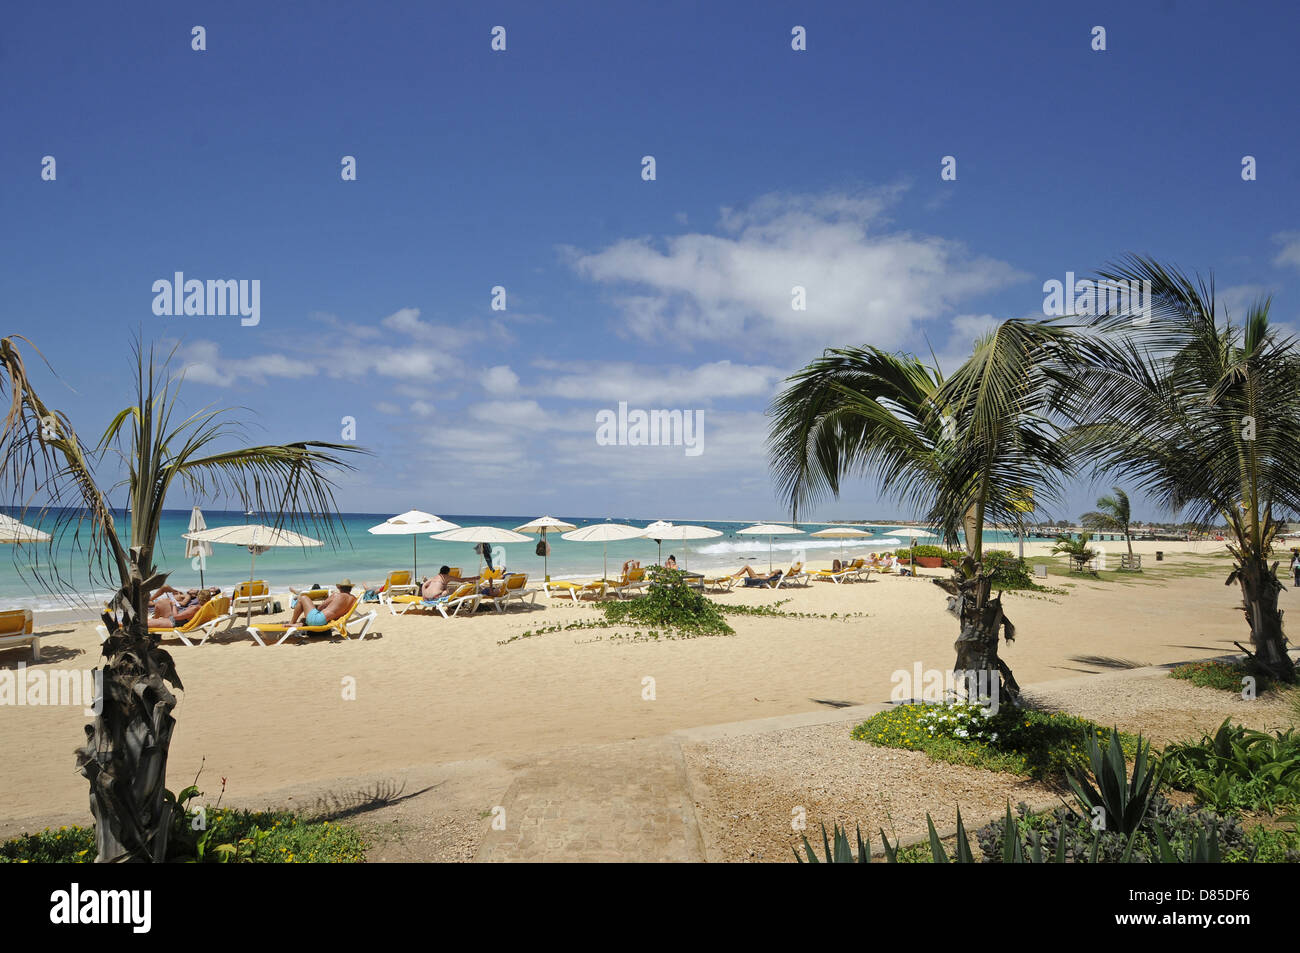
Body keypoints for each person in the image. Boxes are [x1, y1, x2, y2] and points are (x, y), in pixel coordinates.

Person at [288, 579, 356, 627]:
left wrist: (313, 609)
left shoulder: (336, 595)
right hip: (327, 621)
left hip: (317, 620)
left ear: (340, 588)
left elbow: (321, 607)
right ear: (350, 589)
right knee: (309, 609)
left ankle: (292, 622)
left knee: (303, 598)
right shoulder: (354, 599)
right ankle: (302, 623)